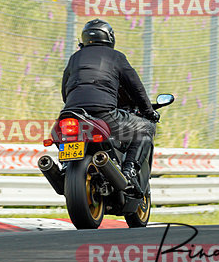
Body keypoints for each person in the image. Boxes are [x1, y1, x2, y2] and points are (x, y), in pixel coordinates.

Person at [60, 19, 158, 193]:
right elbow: (136, 88)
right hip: (103, 114)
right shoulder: (116, 57)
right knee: (145, 129)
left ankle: (66, 167)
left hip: (69, 115)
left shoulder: (75, 58)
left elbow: (64, 91)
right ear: (109, 37)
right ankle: (129, 172)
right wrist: (149, 112)